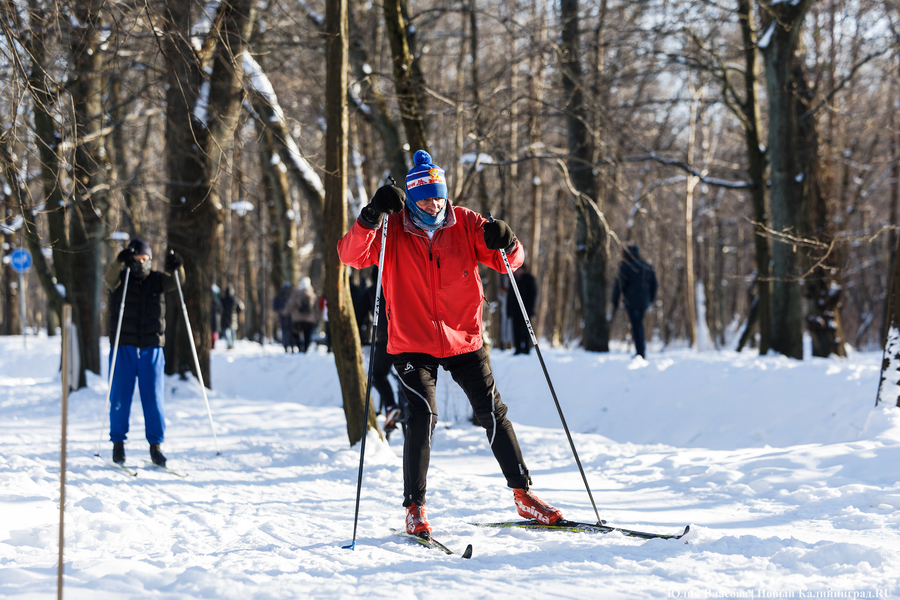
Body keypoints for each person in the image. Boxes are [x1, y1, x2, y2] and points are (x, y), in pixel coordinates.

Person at [337, 150, 564, 537]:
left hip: (464, 338)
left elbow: (511, 261)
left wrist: (508, 241)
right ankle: (414, 508)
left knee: (493, 413)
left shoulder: (465, 222)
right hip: (411, 340)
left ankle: (524, 495)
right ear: (410, 197)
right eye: (425, 197)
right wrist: (370, 216)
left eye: (438, 195)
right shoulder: (392, 228)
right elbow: (351, 255)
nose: (434, 203)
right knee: (422, 417)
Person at [104, 238, 185, 467]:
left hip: (152, 347)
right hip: (124, 347)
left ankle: (155, 446)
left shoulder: (158, 280)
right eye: (137, 259)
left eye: (145, 259)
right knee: (120, 397)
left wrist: (178, 266)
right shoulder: (121, 279)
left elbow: (178, 282)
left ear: (150, 259)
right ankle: (118, 444)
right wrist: (120, 262)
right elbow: (108, 279)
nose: (141, 263)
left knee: (154, 399)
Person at [364, 267, 403, 439]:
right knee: (407, 373)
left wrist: (362, 337)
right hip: (406, 338)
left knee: (378, 375)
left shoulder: (372, 290)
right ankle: (410, 405)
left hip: (385, 339)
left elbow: (359, 315)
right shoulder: (401, 284)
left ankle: (390, 405)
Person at [611, 245, 658, 359]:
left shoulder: (626, 268)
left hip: (631, 302)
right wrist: (650, 299)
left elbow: (618, 286)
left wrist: (614, 301)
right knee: (638, 325)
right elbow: (654, 285)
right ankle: (641, 351)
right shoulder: (647, 267)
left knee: (636, 326)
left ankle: (640, 352)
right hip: (643, 302)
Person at [507, 262, 537, 355]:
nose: (517, 271)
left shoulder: (529, 279)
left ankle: (527, 348)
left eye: (519, 269)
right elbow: (510, 296)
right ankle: (518, 348)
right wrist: (509, 309)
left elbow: (533, 294)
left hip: (526, 309)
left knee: (526, 329)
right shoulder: (513, 280)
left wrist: (530, 308)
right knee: (516, 329)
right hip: (515, 310)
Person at [285, 277, 317, 352]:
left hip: (297, 319)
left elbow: (290, 304)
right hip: (309, 319)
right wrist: (316, 316)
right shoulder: (313, 295)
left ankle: (299, 347)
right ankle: (305, 348)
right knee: (307, 335)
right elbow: (316, 308)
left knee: (296, 333)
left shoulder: (297, 294)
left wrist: (284, 312)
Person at [220, 283, 244, 350]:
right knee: (232, 332)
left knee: (228, 332)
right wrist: (236, 313)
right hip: (234, 319)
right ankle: (231, 345)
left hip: (226, 319)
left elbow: (220, 308)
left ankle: (230, 345)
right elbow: (241, 307)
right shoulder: (235, 299)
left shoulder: (223, 299)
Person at [273, 281, 293, 352]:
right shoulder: (292, 293)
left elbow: (275, 305)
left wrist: (280, 310)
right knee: (291, 331)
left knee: (284, 331)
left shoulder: (280, 294)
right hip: (291, 316)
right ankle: (292, 345)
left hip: (282, 315)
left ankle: (286, 346)